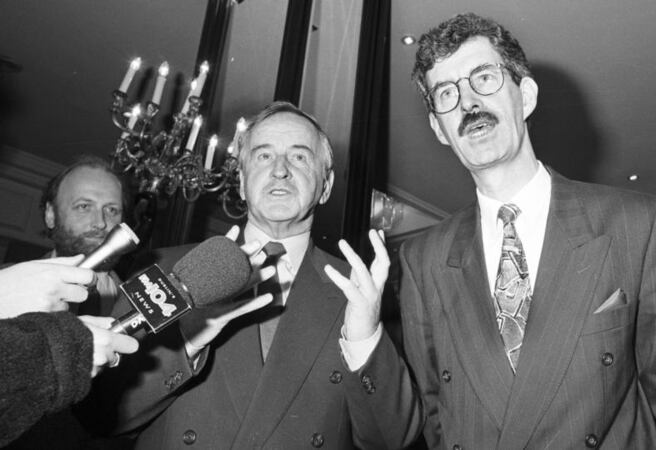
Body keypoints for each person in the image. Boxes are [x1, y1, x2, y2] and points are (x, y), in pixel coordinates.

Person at [336, 12, 656, 449]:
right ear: (439, 128)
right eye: (446, 94)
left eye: (484, 78)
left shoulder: (637, 224)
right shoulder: (423, 258)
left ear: (525, 95)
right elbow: (435, 415)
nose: (468, 103)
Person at [102, 101, 421, 449]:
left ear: (326, 186)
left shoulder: (360, 290)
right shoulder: (161, 268)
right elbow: (101, 416)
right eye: (263, 156)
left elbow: (392, 440)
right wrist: (187, 340)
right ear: (240, 181)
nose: (280, 170)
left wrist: (365, 339)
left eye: (300, 157)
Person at [0, 260, 139, 447]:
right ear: (50, 227)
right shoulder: (11, 276)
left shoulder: (129, 281)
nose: (100, 227)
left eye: (110, 226)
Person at [39, 155, 128, 316]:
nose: (100, 222)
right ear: (51, 215)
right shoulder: (8, 288)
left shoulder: (136, 304)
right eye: (84, 206)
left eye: (112, 210)